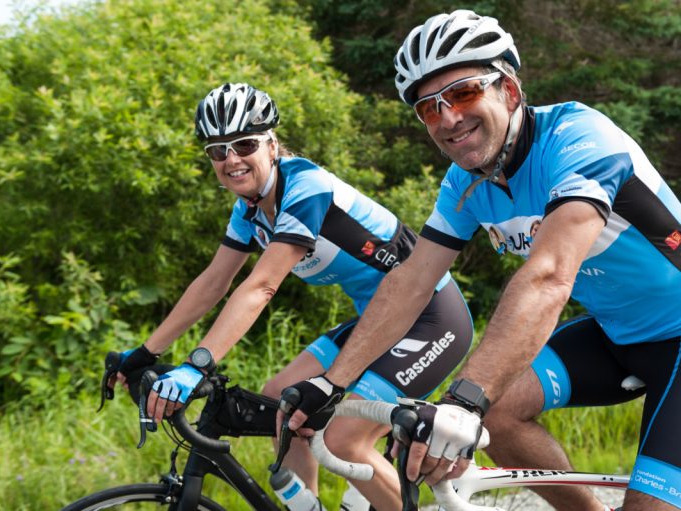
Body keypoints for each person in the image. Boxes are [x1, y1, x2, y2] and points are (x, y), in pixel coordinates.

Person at [282, 10, 681, 511]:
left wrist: (461, 403)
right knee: (496, 414)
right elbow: (412, 280)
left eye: (462, 94)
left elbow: (547, 278)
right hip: (614, 333)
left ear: (509, 90)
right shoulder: (466, 182)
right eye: (428, 109)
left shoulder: (581, 142)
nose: (448, 119)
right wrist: (333, 382)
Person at [109, 82, 474, 511]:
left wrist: (197, 365)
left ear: (272, 144)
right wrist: (145, 353)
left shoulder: (305, 187)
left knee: (342, 441)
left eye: (244, 144)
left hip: (431, 318)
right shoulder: (249, 207)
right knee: (282, 397)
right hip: (379, 322)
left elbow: (261, 287)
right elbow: (213, 282)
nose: (231, 159)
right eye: (217, 150)